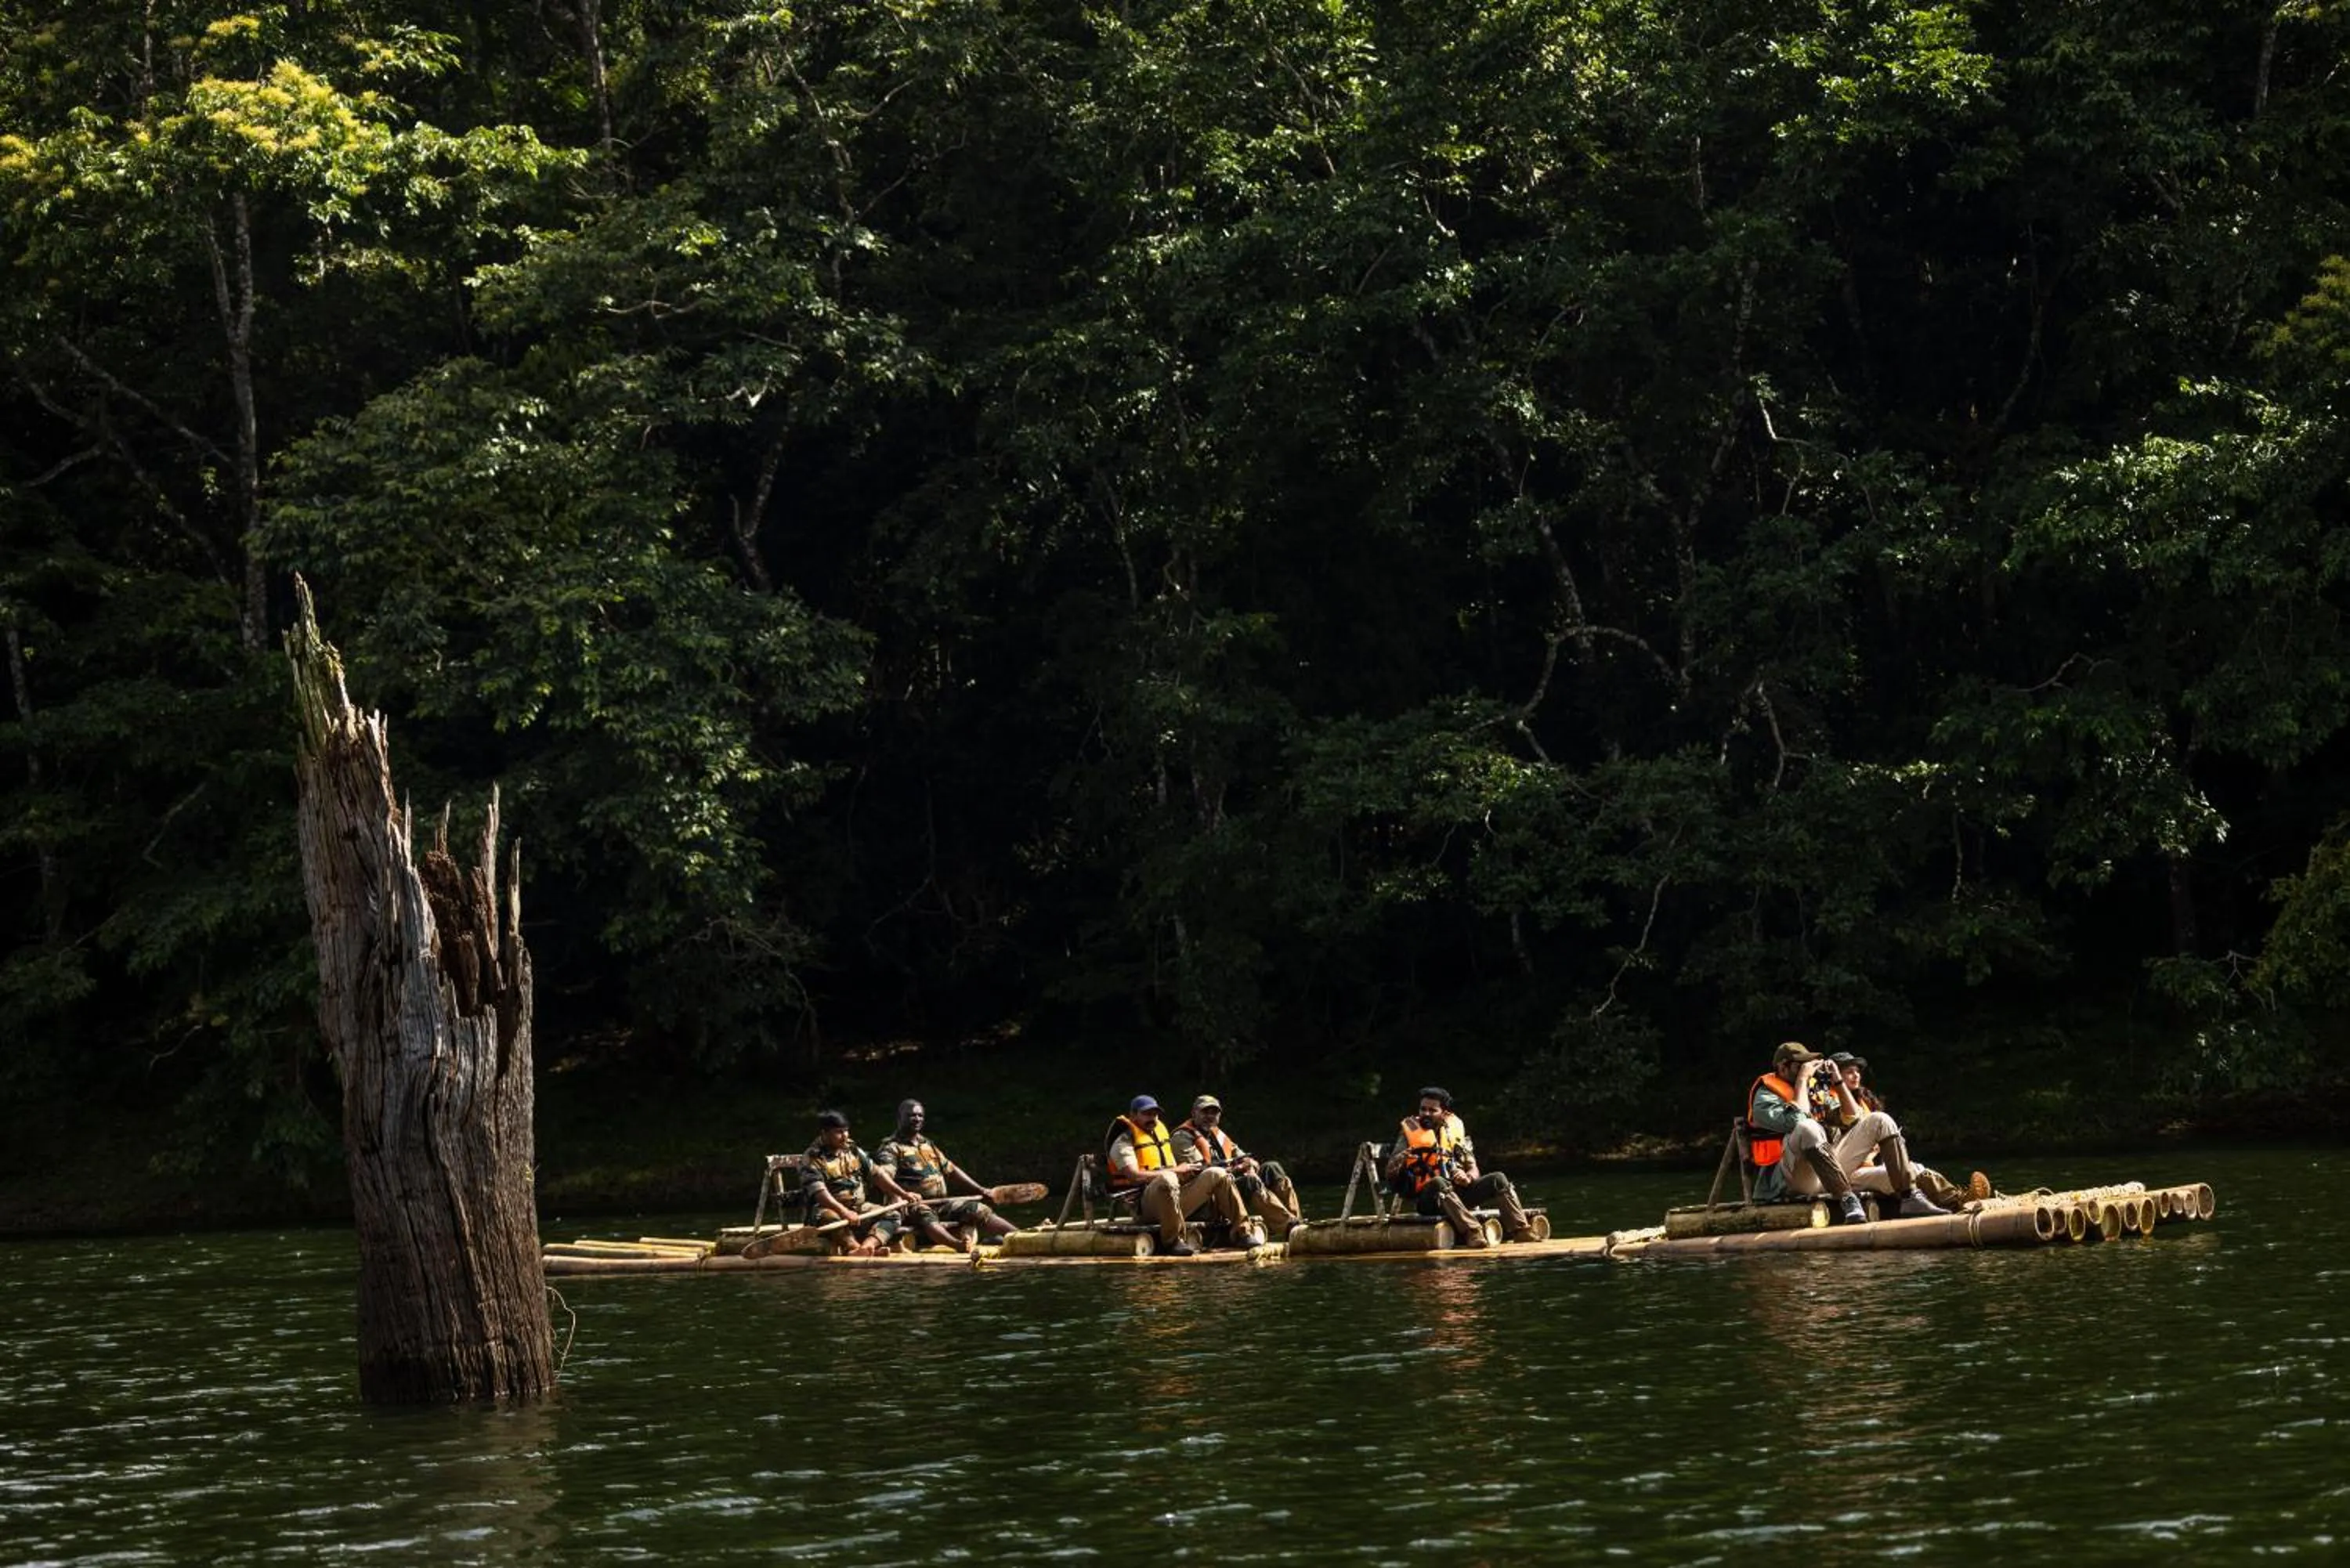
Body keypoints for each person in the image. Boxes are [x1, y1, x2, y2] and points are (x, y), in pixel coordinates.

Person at [1744, 1042, 1946, 1223]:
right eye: (1800, 1066)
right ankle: (1849, 1202)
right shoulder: (1765, 1097)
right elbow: (1798, 1120)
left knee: (1880, 1120)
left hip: (1831, 1172)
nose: (1806, 1070)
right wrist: (1803, 1081)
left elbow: (1852, 1118)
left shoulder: (1816, 1090)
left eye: (1807, 1066)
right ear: (1782, 1067)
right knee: (1808, 1127)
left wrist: (1838, 1081)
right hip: (1795, 1179)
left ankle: (1910, 1198)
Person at [1828, 1053, 1992, 1209]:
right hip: (1848, 1173)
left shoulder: (1861, 1100)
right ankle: (1958, 1200)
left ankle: (1958, 1199)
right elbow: (1847, 1126)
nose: (1856, 1076)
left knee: (1914, 1168)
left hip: (1866, 1167)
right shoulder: (1829, 1098)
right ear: (1835, 1075)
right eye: (1849, 1072)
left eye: (1857, 1071)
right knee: (1910, 1172)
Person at [1382, 1086, 1536, 1247]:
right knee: (1438, 1182)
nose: (1426, 1114)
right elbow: (1390, 1173)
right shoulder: (1409, 1133)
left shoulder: (1453, 1130)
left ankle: (1521, 1230)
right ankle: (1473, 1232)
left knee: (1498, 1179)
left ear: (1444, 1113)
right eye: (1423, 1109)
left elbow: (1472, 1167)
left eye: (1432, 1110)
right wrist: (1399, 1160)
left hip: (1457, 1195)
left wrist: (1468, 1177)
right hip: (1428, 1200)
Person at [1105, 1094, 1248, 1255]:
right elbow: (1134, 1176)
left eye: (1155, 1114)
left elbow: (1176, 1172)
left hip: (1173, 1198)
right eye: (1146, 1114)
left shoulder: (1160, 1134)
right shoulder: (1123, 1142)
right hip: (1143, 1206)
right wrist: (1176, 1170)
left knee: (1217, 1173)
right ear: (1133, 1115)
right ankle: (1173, 1241)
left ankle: (1242, 1232)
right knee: (1168, 1178)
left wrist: (1190, 1172)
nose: (1152, 1118)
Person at [869, 1098, 1019, 1251]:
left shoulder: (927, 1144)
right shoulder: (891, 1148)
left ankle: (1019, 1236)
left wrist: (981, 1190)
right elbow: (883, 1177)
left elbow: (952, 1171)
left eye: (920, 1116)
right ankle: (958, 1246)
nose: (917, 1119)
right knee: (924, 1212)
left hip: (940, 1204)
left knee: (977, 1209)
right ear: (900, 1118)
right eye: (911, 1115)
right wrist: (900, 1195)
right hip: (912, 1206)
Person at [1173, 1095, 1304, 1236]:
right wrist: (1239, 1169)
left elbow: (1243, 1156)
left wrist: (1250, 1165)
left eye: (1214, 1112)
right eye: (1205, 1112)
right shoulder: (1182, 1138)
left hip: (1229, 1181)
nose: (1210, 1116)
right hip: (1208, 1196)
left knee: (1272, 1168)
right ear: (1194, 1113)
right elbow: (1201, 1172)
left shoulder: (1217, 1134)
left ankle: (1297, 1222)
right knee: (1249, 1182)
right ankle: (1289, 1227)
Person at [800, 1110, 898, 1256]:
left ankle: (868, 1246)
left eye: (846, 1131)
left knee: (893, 1214)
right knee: (830, 1218)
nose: (845, 1136)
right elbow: (820, 1194)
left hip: (858, 1208)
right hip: (825, 1211)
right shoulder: (812, 1158)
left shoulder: (852, 1150)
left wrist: (901, 1193)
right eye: (839, 1132)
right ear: (825, 1133)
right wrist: (843, 1212)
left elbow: (877, 1174)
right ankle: (854, 1248)